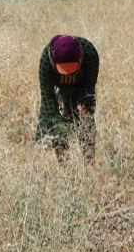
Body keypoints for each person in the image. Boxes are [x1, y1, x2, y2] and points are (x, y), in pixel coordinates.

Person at [36, 35, 99, 163]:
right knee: (51, 122)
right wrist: (59, 126)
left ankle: (89, 160)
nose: (68, 74)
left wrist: (83, 110)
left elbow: (88, 90)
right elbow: (48, 99)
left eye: (72, 69)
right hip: (56, 85)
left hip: (80, 84)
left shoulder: (90, 53)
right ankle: (62, 163)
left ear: (81, 58)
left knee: (85, 118)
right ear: (52, 61)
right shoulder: (45, 61)